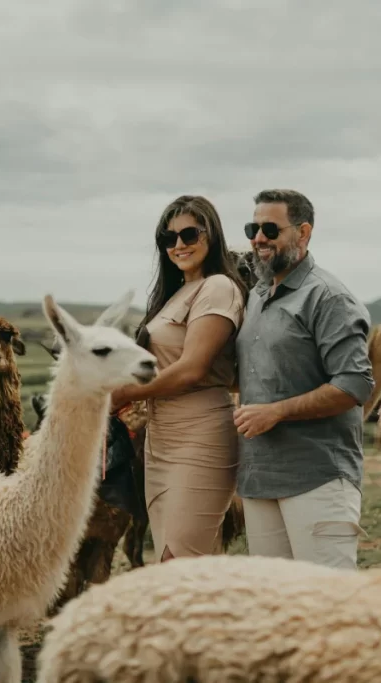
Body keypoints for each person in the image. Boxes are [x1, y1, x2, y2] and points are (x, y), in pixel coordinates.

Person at [233, 188, 375, 570]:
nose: (258, 238)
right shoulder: (259, 294)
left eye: (270, 229)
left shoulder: (328, 298)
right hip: (259, 480)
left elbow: (354, 384)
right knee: (273, 608)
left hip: (317, 479)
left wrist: (276, 411)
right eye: (252, 228)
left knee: (328, 609)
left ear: (304, 232)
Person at [109, 194, 248, 562]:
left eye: (189, 234)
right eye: (168, 239)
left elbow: (192, 368)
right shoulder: (174, 295)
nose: (179, 245)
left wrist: (123, 394)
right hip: (160, 437)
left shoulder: (217, 287)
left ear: (211, 235)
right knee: (183, 565)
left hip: (201, 434)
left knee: (180, 561)